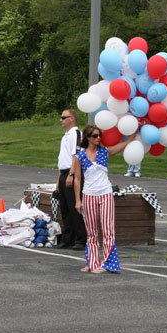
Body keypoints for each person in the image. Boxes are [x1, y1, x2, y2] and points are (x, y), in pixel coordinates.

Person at [72, 125, 131, 273]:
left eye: (99, 136)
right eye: (94, 136)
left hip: (105, 194)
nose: (98, 138)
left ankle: (108, 264)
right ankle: (92, 263)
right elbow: (77, 179)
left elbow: (121, 146)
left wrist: (131, 138)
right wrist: (78, 200)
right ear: (87, 138)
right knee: (91, 232)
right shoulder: (79, 156)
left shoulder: (104, 152)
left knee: (108, 231)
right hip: (88, 195)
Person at [55, 109, 85, 250]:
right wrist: (59, 179)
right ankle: (68, 238)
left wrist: (72, 174)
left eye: (63, 117)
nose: (61, 120)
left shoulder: (76, 134)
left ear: (71, 119)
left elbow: (76, 156)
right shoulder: (65, 136)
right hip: (64, 172)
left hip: (72, 172)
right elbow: (62, 160)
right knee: (65, 208)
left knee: (74, 207)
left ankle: (80, 239)